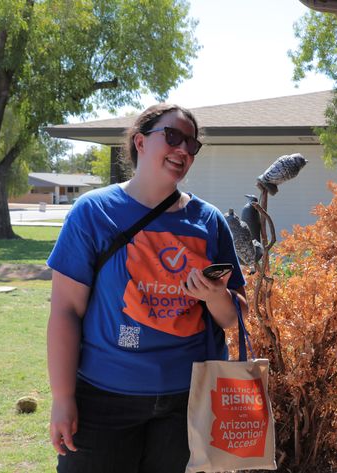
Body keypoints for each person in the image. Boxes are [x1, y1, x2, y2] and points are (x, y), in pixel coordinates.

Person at [47, 103, 248, 473]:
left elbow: (233, 318)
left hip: (186, 399)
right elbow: (65, 310)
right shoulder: (93, 212)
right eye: (172, 137)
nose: (184, 150)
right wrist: (62, 397)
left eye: (192, 144)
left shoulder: (209, 222)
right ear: (140, 141)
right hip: (103, 400)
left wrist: (215, 295)